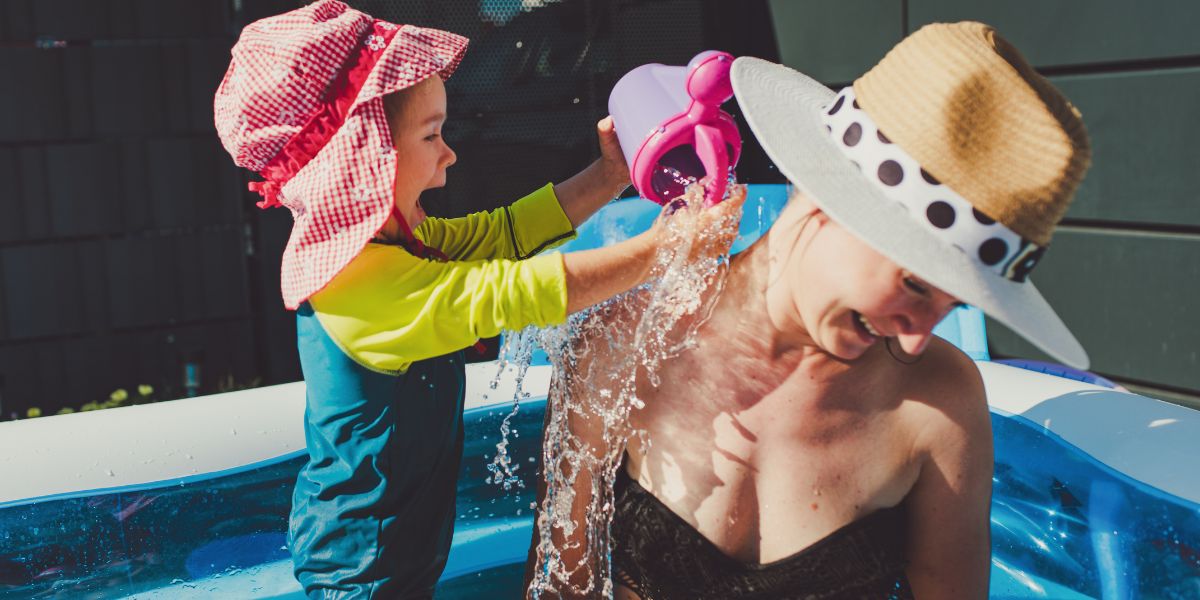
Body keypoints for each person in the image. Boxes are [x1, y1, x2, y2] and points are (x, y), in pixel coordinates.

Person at [532, 21, 1091, 599]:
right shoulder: (622, 344)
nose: (920, 337)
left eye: (955, 302)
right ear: (834, 197)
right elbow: (558, 585)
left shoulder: (940, 401)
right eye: (918, 284)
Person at [213, 2, 743, 597]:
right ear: (365, 157)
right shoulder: (359, 287)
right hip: (358, 577)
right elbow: (515, 293)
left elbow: (501, 235)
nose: (450, 153)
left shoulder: (403, 246)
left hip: (393, 557)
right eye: (432, 134)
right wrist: (661, 250)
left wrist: (606, 177)